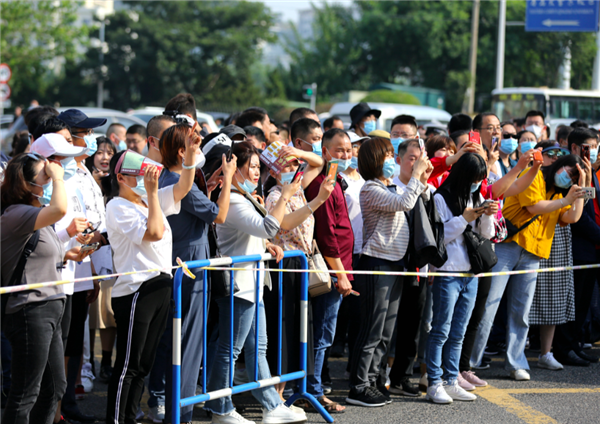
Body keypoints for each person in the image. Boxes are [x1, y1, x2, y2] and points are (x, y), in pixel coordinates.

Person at [204, 141, 306, 424]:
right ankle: (220, 408)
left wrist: (265, 247)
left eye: (259, 167)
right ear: (234, 169)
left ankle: (271, 406)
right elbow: (268, 227)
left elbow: (256, 235)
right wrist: (285, 196)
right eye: (252, 167)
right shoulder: (234, 200)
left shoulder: (245, 198)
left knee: (257, 347)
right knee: (230, 349)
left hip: (253, 283)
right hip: (239, 285)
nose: (256, 173)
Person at [104, 128, 200, 424]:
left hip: (160, 286)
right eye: (138, 174)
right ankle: (117, 419)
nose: (147, 178)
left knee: (143, 364)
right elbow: (155, 232)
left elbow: (183, 188)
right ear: (121, 178)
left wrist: (191, 157)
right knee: (129, 365)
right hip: (136, 291)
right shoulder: (118, 206)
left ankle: (129, 417)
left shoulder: (150, 200)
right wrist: (150, 194)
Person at [471, 153, 588, 381]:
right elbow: (535, 207)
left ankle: (516, 363)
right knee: (488, 306)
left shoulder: (560, 193)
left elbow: (573, 217)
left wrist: (582, 186)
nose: (569, 176)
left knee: (521, 311)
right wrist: (565, 200)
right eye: (569, 170)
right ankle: (469, 363)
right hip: (507, 246)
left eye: (574, 175)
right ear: (557, 165)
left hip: (533, 253)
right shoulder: (534, 175)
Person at [1, 151, 90, 423]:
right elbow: (61, 210)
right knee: (26, 392)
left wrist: (66, 254)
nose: (51, 177)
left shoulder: (34, 213)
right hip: (30, 310)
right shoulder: (17, 213)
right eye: (45, 174)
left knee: (54, 388)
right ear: (26, 184)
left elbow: (32, 255)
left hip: (49, 307)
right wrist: (60, 178)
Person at [157, 122, 235, 424]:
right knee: (189, 339)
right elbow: (220, 215)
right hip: (190, 260)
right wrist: (228, 180)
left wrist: (213, 185)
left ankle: (177, 409)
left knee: (180, 337)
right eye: (194, 141)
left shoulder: (169, 176)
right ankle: (182, 412)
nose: (200, 146)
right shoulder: (178, 179)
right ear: (181, 150)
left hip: (182, 256)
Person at [346, 137, 432, 407]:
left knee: (385, 330)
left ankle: (373, 380)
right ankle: (358, 386)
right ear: (373, 161)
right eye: (386, 156)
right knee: (371, 329)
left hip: (395, 264)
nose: (391, 161)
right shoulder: (370, 188)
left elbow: (415, 198)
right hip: (376, 263)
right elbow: (405, 203)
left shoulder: (387, 186)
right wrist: (416, 175)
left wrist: (422, 177)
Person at [263, 145, 338, 412]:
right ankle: (276, 397)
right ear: (272, 171)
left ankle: (285, 395)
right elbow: (285, 224)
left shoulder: (297, 190)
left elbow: (318, 163)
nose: (294, 170)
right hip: (285, 268)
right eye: (286, 166)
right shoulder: (275, 195)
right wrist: (317, 201)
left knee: (297, 332)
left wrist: (293, 151)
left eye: (295, 165)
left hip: (301, 265)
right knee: (283, 331)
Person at [426, 153, 496, 404]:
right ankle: (434, 382)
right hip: (448, 273)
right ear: (464, 176)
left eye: (481, 179)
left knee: (459, 332)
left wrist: (487, 215)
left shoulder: (476, 195)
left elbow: (486, 235)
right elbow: (440, 237)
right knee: (441, 330)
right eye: (475, 179)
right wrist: (465, 218)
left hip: (471, 274)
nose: (477, 184)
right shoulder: (440, 197)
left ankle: (451, 380)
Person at [304, 128, 354, 405]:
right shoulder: (321, 185)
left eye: (348, 150)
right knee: (322, 333)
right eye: (339, 150)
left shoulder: (335, 181)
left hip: (340, 268)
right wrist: (341, 274)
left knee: (324, 333)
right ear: (323, 152)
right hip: (331, 271)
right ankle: (313, 392)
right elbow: (326, 236)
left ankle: (314, 389)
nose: (345, 155)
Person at [554, 128, 600, 366]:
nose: (591, 152)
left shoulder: (590, 172)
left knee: (583, 302)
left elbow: (592, 202)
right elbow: (579, 217)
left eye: (594, 147)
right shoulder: (567, 172)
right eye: (587, 147)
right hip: (576, 245)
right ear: (573, 148)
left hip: (591, 247)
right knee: (572, 300)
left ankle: (574, 345)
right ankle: (563, 347)